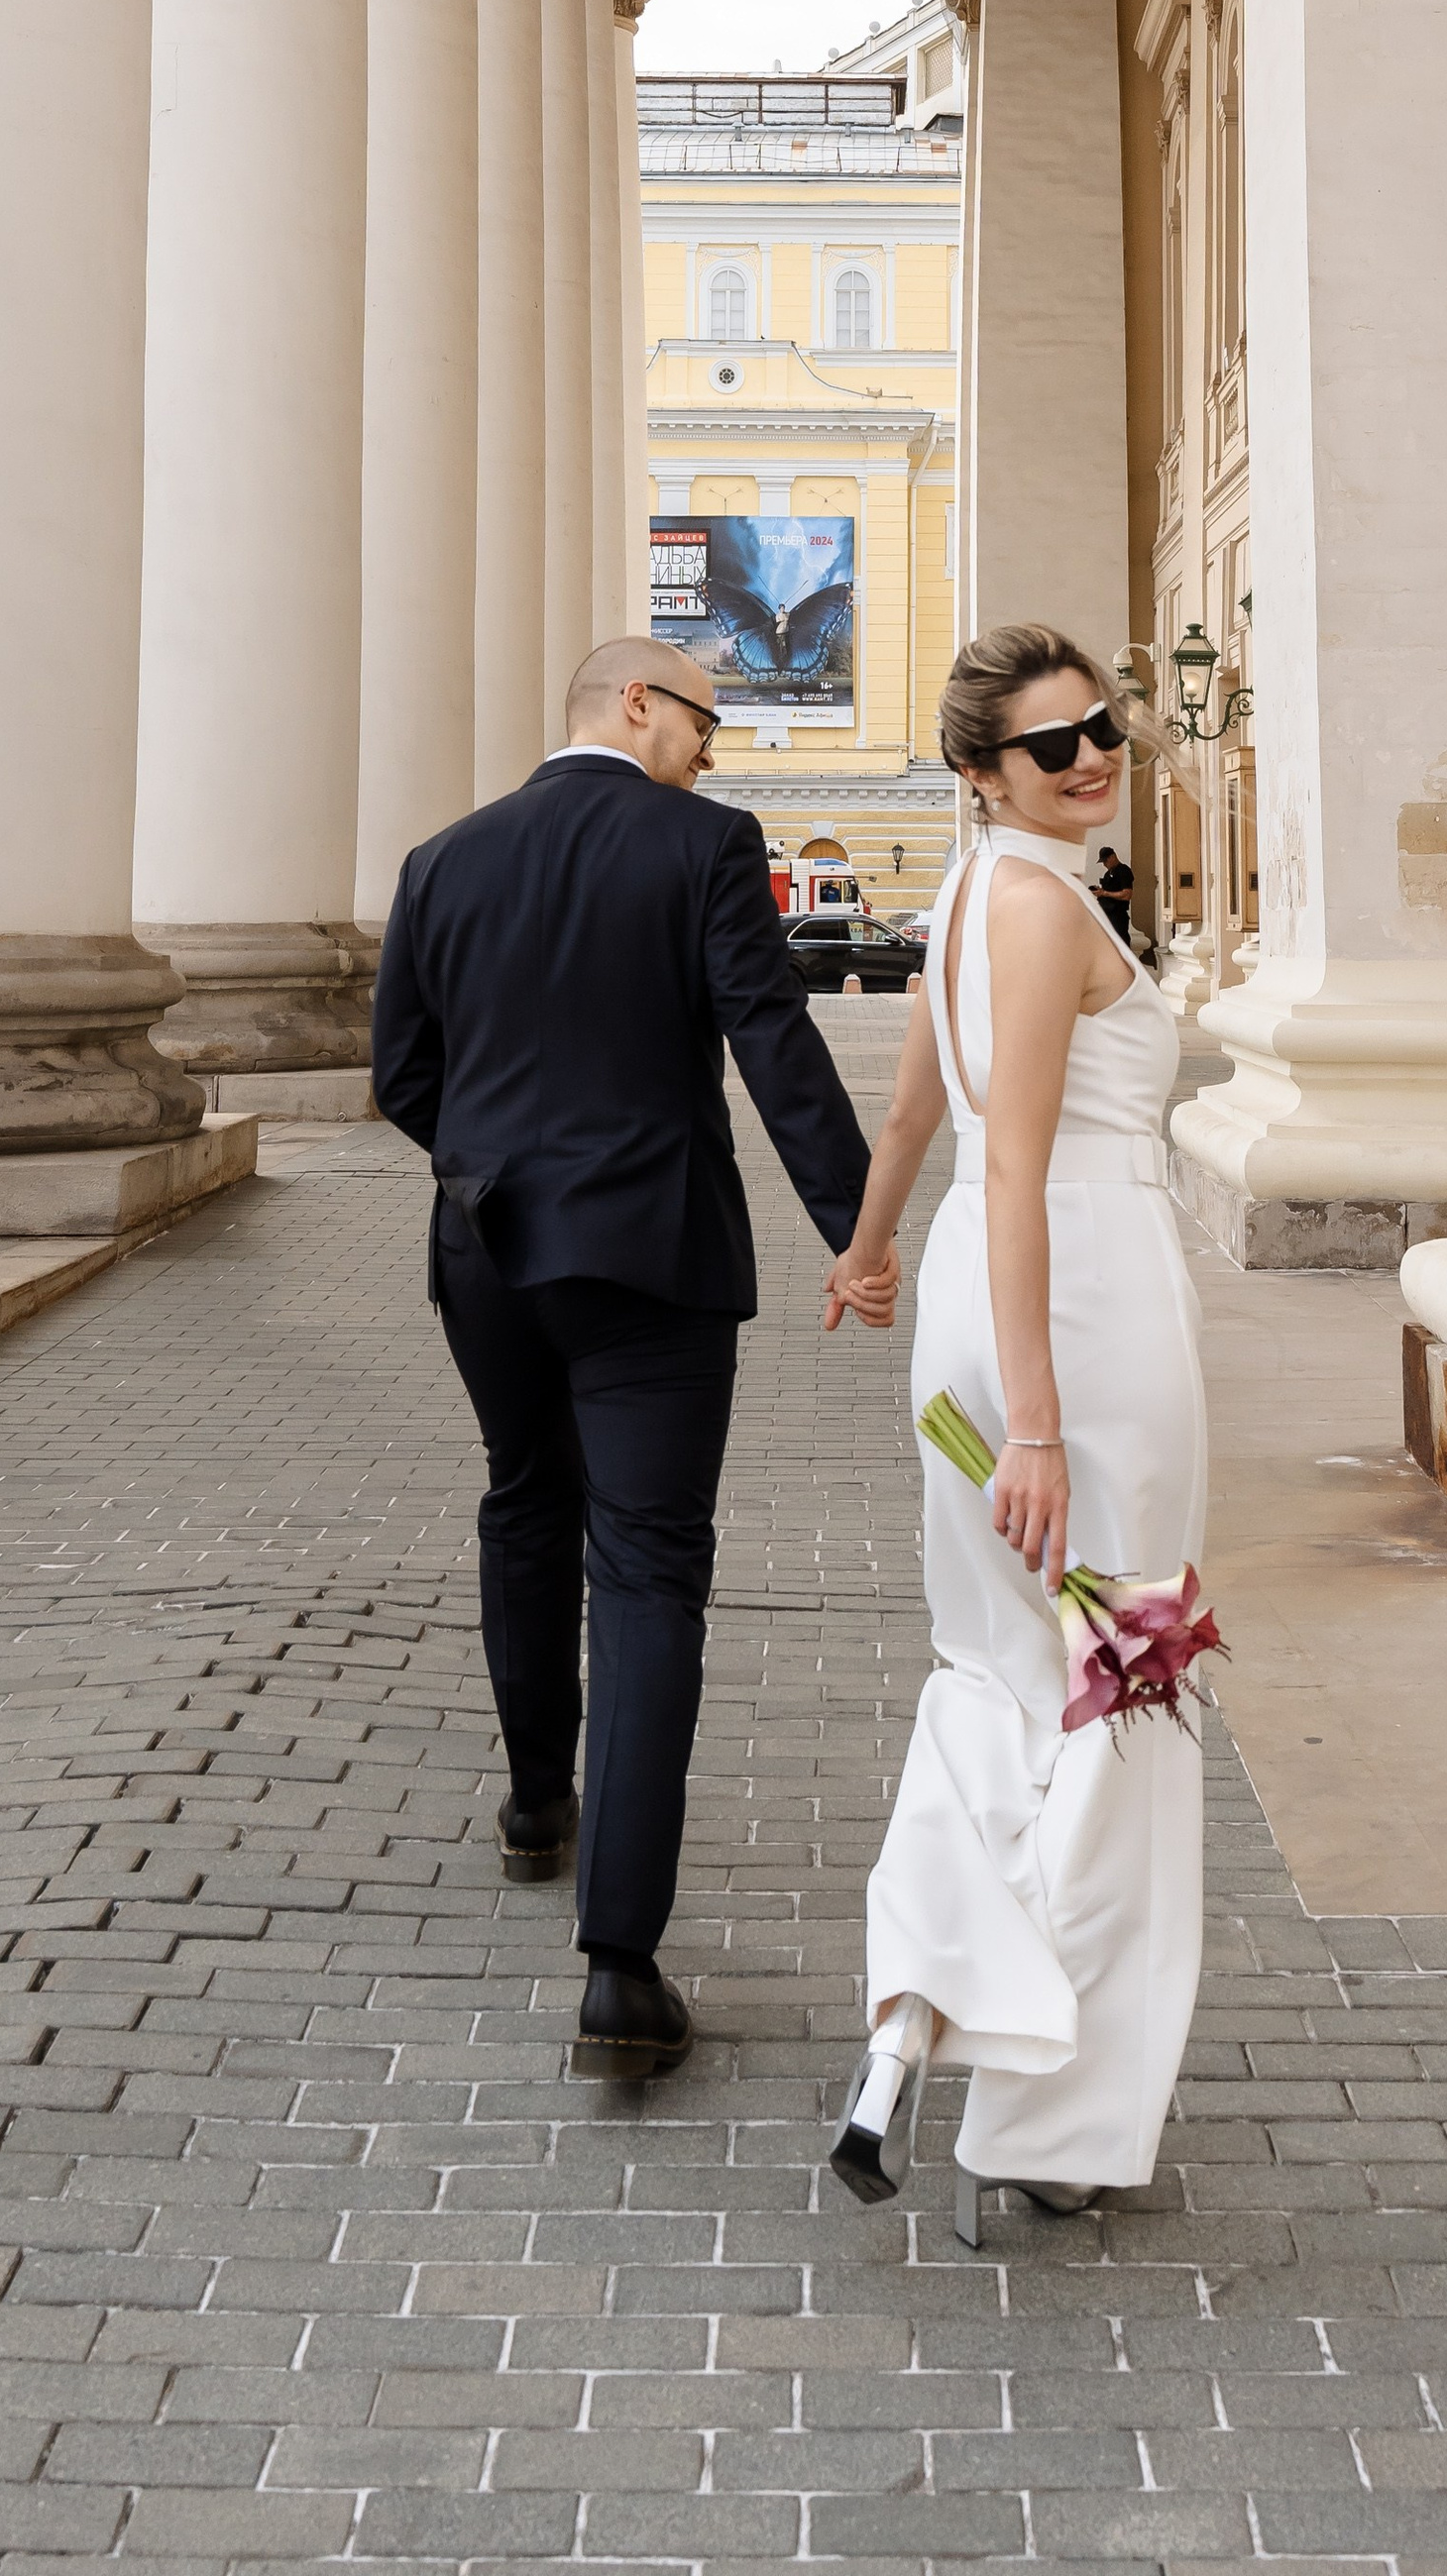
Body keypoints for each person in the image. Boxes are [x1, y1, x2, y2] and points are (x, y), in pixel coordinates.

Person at [371, 637, 888, 2084]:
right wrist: (859, 1231)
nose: (716, 754)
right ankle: (619, 1968)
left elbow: (403, 1074)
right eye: (706, 723)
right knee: (650, 1568)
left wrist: (488, 1172)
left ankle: (539, 1800)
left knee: (523, 1502)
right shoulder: (706, 845)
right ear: (639, 705)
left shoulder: (442, 859)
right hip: (652, 1258)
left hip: (485, 1250)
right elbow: (772, 1043)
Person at [823, 620, 1208, 2227]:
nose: (1096, 758)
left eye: (1103, 727)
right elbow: (1032, 1162)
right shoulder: (1042, 904)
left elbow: (922, 1103)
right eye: (1055, 749)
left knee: (999, 1671)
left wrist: (865, 1243)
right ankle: (1050, 2123)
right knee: (1121, 1686)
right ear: (987, 774)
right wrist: (1041, 1429)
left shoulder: (971, 890)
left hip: (980, 1325)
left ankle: (911, 2019)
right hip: (1079, 1320)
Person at [1094, 845, 1136, 951]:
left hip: (1117, 915)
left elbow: (1127, 894)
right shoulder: (1108, 874)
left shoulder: (1123, 871)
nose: (1104, 864)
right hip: (1107, 914)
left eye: (1106, 861)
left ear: (1113, 857)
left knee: (1121, 946)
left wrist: (1105, 893)